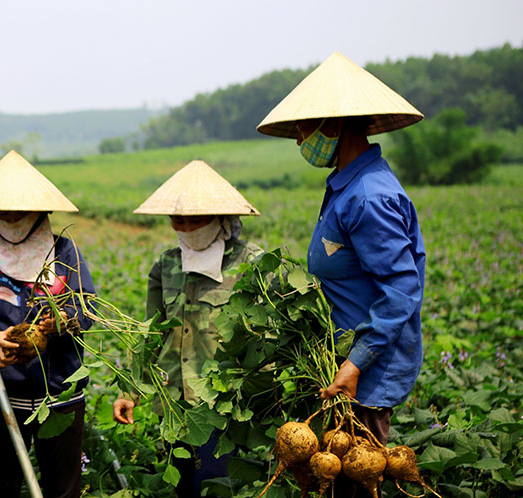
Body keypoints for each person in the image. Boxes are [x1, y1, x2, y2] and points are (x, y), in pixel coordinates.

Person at [257, 52, 426, 496]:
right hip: (344, 365)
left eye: (302, 129)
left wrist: (354, 363)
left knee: (354, 481)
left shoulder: (369, 196)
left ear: (334, 126)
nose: (298, 140)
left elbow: (402, 289)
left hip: (364, 371)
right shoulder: (346, 184)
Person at [0, 150, 96, 498]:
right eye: (3, 211)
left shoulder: (65, 255)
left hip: (60, 396)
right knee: (2, 488)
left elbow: (86, 307)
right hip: (1, 398)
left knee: (63, 489)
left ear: (40, 212)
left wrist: (58, 324)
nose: (12, 218)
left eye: (21, 211)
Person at [112, 160, 264, 497]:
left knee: (217, 486)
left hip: (224, 405)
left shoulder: (250, 263)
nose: (186, 228)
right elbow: (151, 333)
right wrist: (131, 391)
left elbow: (268, 338)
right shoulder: (167, 264)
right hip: (175, 402)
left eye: (195, 220)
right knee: (183, 487)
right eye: (177, 221)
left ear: (221, 218)